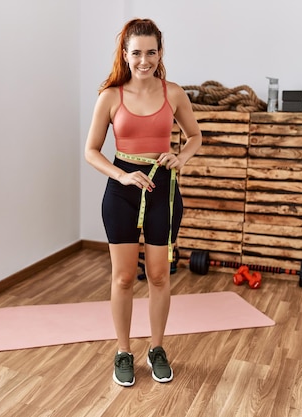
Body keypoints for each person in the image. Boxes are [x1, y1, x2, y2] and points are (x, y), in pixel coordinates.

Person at [84, 18, 203, 386]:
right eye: (137, 52)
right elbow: (91, 151)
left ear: (160, 52)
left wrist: (180, 159)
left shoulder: (175, 93)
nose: (144, 60)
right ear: (125, 54)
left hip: (162, 191)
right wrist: (121, 175)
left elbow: (195, 135)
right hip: (122, 191)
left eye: (151, 52)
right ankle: (123, 351)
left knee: (158, 276)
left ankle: (156, 348)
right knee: (122, 278)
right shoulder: (110, 96)